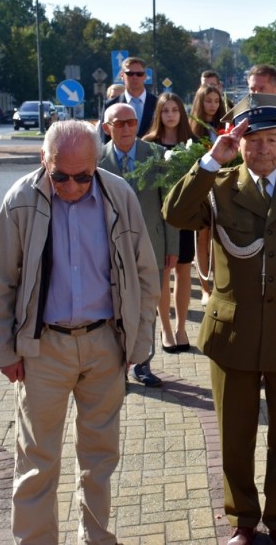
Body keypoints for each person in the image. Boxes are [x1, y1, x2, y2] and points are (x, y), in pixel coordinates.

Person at [162, 93, 276, 545]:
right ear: (237, 143)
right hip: (232, 333)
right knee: (234, 437)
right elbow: (175, 214)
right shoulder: (218, 187)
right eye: (252, 141)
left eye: (271, 140)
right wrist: (208, 162)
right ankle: (243, 520)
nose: (262, 150)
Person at [0, 120, 160, 543]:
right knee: (37, 459)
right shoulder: (20, 200)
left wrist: (139, 341)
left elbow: (144, 273)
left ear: (96, 165)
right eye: (60, 175)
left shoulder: (118, 194)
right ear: (43, 160)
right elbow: (1, 283)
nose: (72, 186)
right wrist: (5, 352)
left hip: (105, 344)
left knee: (100, 458)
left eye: (83, 176)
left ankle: (96, 538)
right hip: (42, 348)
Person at [99, 102, 177, 386]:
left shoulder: (155, 155)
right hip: (109, 248)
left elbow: (168, 204)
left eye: (131, 122)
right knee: (113, 306)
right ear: (107, 128)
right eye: (119, 124)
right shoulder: (97, 160)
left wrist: (172, 247)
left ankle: (143, 364)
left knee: (147, 304)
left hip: (152, 244)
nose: (127, 128)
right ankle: (116, 366)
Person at [143, 92, 198, 352]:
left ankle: (181, 327)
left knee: (184, 271)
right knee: (163, 272)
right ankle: (165, 328)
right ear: (159, 115)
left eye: (175, 110)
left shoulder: (193, 143)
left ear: (182, 113)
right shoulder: (148, 144)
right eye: (165, 111)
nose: (171, 115)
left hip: (185, 217)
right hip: (158, 219)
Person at [189, 85, 228, 306]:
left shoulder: (224, 126)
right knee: (202, 237)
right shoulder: (192, 129)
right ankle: (205, 288)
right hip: (202, 189)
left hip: (222, 187)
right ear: (200, 102)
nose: (212, 105)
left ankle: (220, 284)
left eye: (216, 100)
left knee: (220, 237)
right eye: (208, 100)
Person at [102, 56, 156, 140]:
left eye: (139, 74)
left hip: (153, 152)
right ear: (122, 75)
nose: (135, 77)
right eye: (130, 74)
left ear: (145, 76)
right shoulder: (110, 105)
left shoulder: (158, 103)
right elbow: (105, 137)